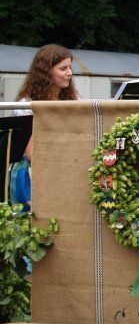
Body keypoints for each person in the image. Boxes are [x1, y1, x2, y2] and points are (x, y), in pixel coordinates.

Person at [11, 44, 80, 211]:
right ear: (46, 71)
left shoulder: (74, 99)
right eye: (63, 68)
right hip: (37, 175)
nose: (69, 73)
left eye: (70, 67)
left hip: (69, 171)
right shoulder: (26, 104)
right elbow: (29, 152)